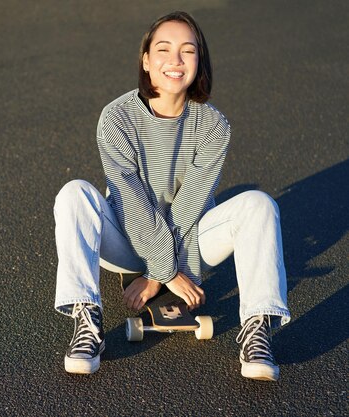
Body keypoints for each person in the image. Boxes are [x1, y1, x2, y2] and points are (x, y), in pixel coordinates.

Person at [53, 11, 290, 381]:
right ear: (146, 61)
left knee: (259, 204)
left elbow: (189, 207)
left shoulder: (213, 125)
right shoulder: (116, 118)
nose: (175, 60)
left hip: (190, 241)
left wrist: (159, 275)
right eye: (163, 49)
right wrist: (163, 273)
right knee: (74, 194)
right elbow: (130, 201)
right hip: (127, 240)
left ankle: (257, 329)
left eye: (188, 50)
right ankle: (87, 320)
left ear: (200, 62)